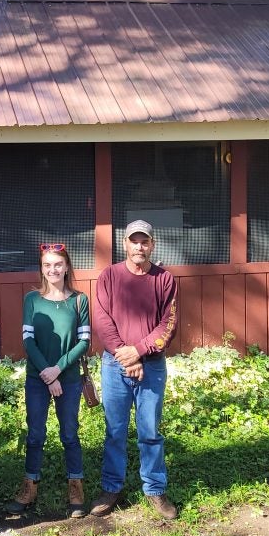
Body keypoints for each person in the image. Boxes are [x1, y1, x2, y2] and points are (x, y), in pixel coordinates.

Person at [89, 220, 179, 520]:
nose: (139, 246)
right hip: (115, 365)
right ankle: (112, 488)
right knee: (115, 431)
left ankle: (154, 489)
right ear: (124, 244)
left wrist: (138, 351)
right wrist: (124, 355)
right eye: (133, 241)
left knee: (150, 431)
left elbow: (168, 324)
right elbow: (101, 319)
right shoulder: (109, 276)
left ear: (152, 244)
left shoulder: (164, 279)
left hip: (151, 366)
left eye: (145, 241)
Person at [5, 243, 90, 518]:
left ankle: (75, 486)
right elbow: (28, 340)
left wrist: (59, 369)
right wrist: (47, 372)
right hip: (37, 378)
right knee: (35, 435)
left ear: (66, 267)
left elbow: (84, 341)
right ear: (41, 268)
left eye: (57, 264)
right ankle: (30, 486)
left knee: (69, 434)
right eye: (47, 265)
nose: (52, 269)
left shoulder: (79, 300)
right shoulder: (32, 299)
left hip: (69, 378)